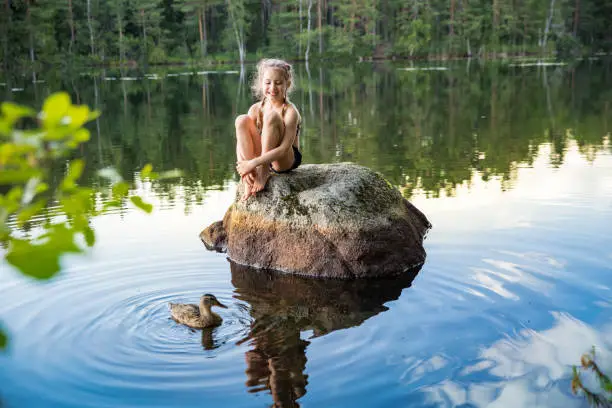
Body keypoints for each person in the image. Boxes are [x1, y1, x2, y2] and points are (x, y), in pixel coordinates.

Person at [235, 58, 302, 201]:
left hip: (284, 159)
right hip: (262, 157)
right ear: (261, 84)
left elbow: (284, 148)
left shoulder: (290, 111)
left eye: (278, 83)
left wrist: (255, 163)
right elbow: (241, 141)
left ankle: (263, 172)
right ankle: (250, 177)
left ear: (287, 84)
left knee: (272, 117)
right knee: (241, 120)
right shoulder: (255, 109)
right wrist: (245, 168)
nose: (272, 88)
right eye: (268, 83)